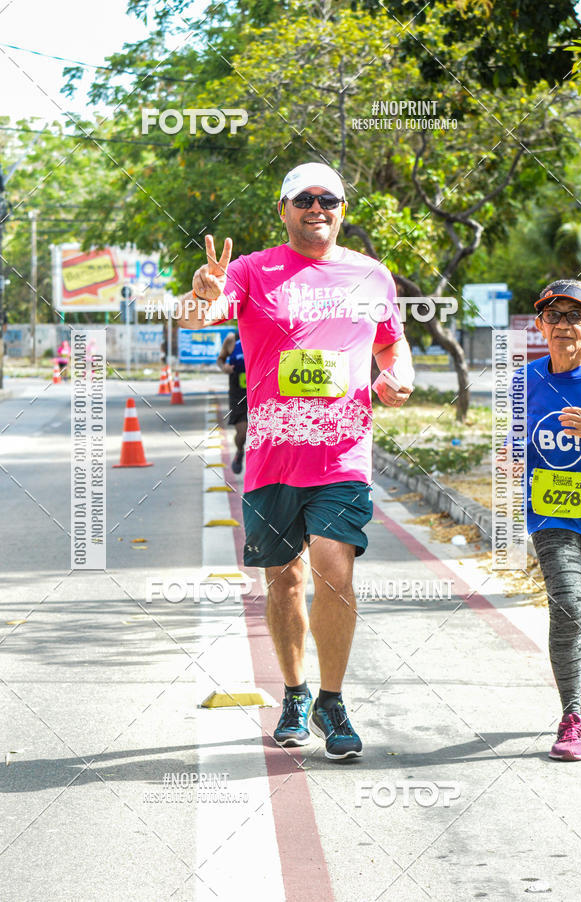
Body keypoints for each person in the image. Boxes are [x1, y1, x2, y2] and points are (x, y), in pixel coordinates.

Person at [180, 162, 414, 760]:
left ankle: (333, 701)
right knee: (285, 581)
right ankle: (294, 693)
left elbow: (391, 340)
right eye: (304, 199)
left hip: (342, 451)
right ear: (283, 209)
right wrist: (199, 298)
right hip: (272, 458)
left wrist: (398, 373)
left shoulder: (371, 274)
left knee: (336, 567)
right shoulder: (252, 270)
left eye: (329, 199)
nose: (318, 208)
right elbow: (199, 315)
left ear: (343, 208)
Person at [523, 279, 581, 761]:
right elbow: (508, 445)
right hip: (552, 514)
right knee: (570, 603)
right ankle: (571, 717)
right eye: (554, 315)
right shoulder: (522, 381)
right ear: (540, 326)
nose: (564, 325)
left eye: (575, 315)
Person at [217, 330, 247, 474]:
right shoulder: (232, 339)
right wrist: (225, 367)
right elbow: (220, 360)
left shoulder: (264, 333)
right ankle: (240, 451)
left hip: (260, 391)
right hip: (238, 393)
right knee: (243, 432)